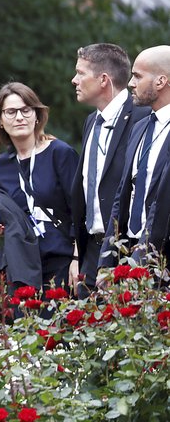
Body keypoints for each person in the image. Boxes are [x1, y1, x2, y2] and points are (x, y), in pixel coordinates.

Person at [0, 82, 79, 293]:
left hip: (61, 260)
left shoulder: (59, 154)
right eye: (11, 112)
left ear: (37, 116)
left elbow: (82, 210)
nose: (19, 117)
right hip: (21, 265)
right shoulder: (1, 166)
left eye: (26, 110)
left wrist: (77, 258)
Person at [69, 43, 148, 292]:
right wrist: (76, 254)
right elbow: (87, 189)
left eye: (81, 73)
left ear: (103, 79)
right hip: (90, 251)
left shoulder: (143, 117)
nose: (74, 80)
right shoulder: (91, 121)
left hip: (127, 250)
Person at [99, 45, 170, 269]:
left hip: (162, 258)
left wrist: (146, 253)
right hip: (127, 252)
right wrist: (106, 261)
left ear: (160, 81)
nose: (130, 83)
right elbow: (122, 195)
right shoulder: (139, 127)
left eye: (137, 76)